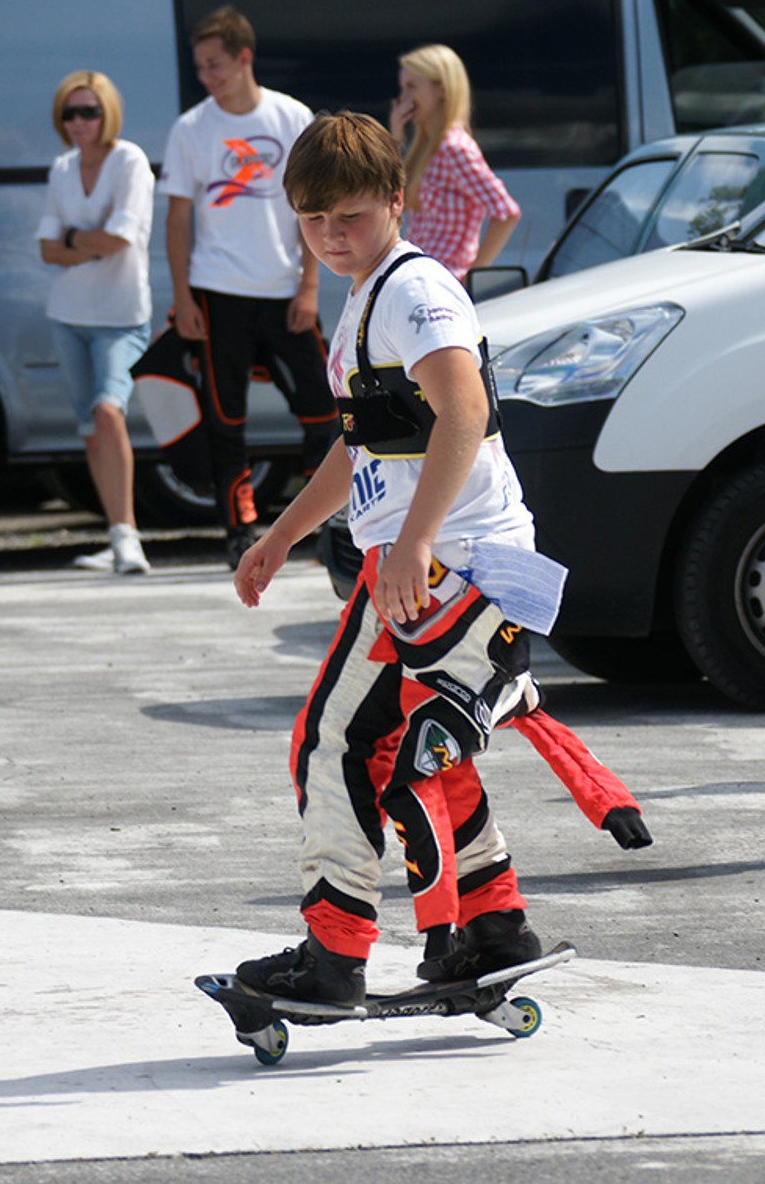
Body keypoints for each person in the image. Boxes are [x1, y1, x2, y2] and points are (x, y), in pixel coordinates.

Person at [230, 112, 570, 1005]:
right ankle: (494, 931)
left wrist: (412, 543)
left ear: (396, 199)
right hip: (468, 564)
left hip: (455, 565)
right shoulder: (370, 295)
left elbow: (462, 409)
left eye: (348, 216)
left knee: (335, 743)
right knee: (420, 753)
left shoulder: (414, 292)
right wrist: (283, 533)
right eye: (313, 221)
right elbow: (365, 447)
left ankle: (334, 954)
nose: (332, 237)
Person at [160, 5, 336, 567]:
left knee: (324, 411)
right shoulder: (192, 128)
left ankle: (328, 521)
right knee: (225, 418)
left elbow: (316, 206)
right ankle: (240, 530)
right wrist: (183, 297)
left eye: (215, 65)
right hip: (218, 293)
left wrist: (309, 286)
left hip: (285, 289)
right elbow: (179, 218)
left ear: (244, 58)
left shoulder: (291, 118)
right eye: (200, 68)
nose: (208, 77)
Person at [37, 71, 153, 576]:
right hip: (68, 315)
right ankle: (116, 534)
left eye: (89, 111)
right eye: (70, 113)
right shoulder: (62, 167)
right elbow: (45, 249)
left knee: (109, 412)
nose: (79, 122)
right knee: (90, 428)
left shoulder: (129, 160)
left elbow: (120, 239)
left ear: (108, 113)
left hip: (121, 315)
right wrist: (89, 238)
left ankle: (129, 538)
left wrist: (72, 240)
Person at [388, 44, 520, 282]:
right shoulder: (428, 147)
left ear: (441, 90)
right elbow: (392, 201)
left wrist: (473, 276)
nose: (403, 99)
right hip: (423, 276)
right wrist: (396, 138)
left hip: (445, 278)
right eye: (402, 88)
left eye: (412, 87)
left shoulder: (454, 148)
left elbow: (506, 212)